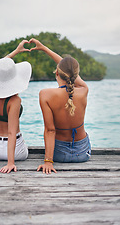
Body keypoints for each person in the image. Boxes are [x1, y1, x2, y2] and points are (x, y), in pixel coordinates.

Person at [29, 38, 91, 174]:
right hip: (83, 153)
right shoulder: (84, 90)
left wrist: (48, 162)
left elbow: (50, 131)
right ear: (76, 75)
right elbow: (67, 67)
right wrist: (45, 48)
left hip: (58, 155)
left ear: (57, 73)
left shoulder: (45, 94)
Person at [0, 40, 32, 173]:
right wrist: (10, 163)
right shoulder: (14, 101)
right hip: (16, 152)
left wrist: (14, 52)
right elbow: (11, 132)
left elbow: (1, 70)